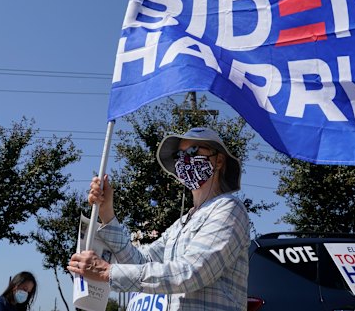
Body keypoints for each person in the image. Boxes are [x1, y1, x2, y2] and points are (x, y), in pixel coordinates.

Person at [68, 127, 250, 311]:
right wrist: (107, 212)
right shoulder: (181, 223)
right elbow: (140, 262)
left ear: (218, 161)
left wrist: (107, 272)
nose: (184, 160)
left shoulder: (229, 208)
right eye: (179, 155)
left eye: (193, 151)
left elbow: (192, 272)